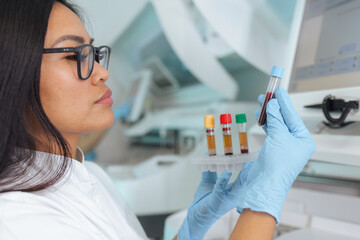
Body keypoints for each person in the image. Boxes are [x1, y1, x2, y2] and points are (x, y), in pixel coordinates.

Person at [0, 1, 316, 239]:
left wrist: (194, 227)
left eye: (93, 53)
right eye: (73, 55)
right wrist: (262, 205)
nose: (102, 71)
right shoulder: (16, 217)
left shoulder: (88, 175)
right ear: (12, 77)